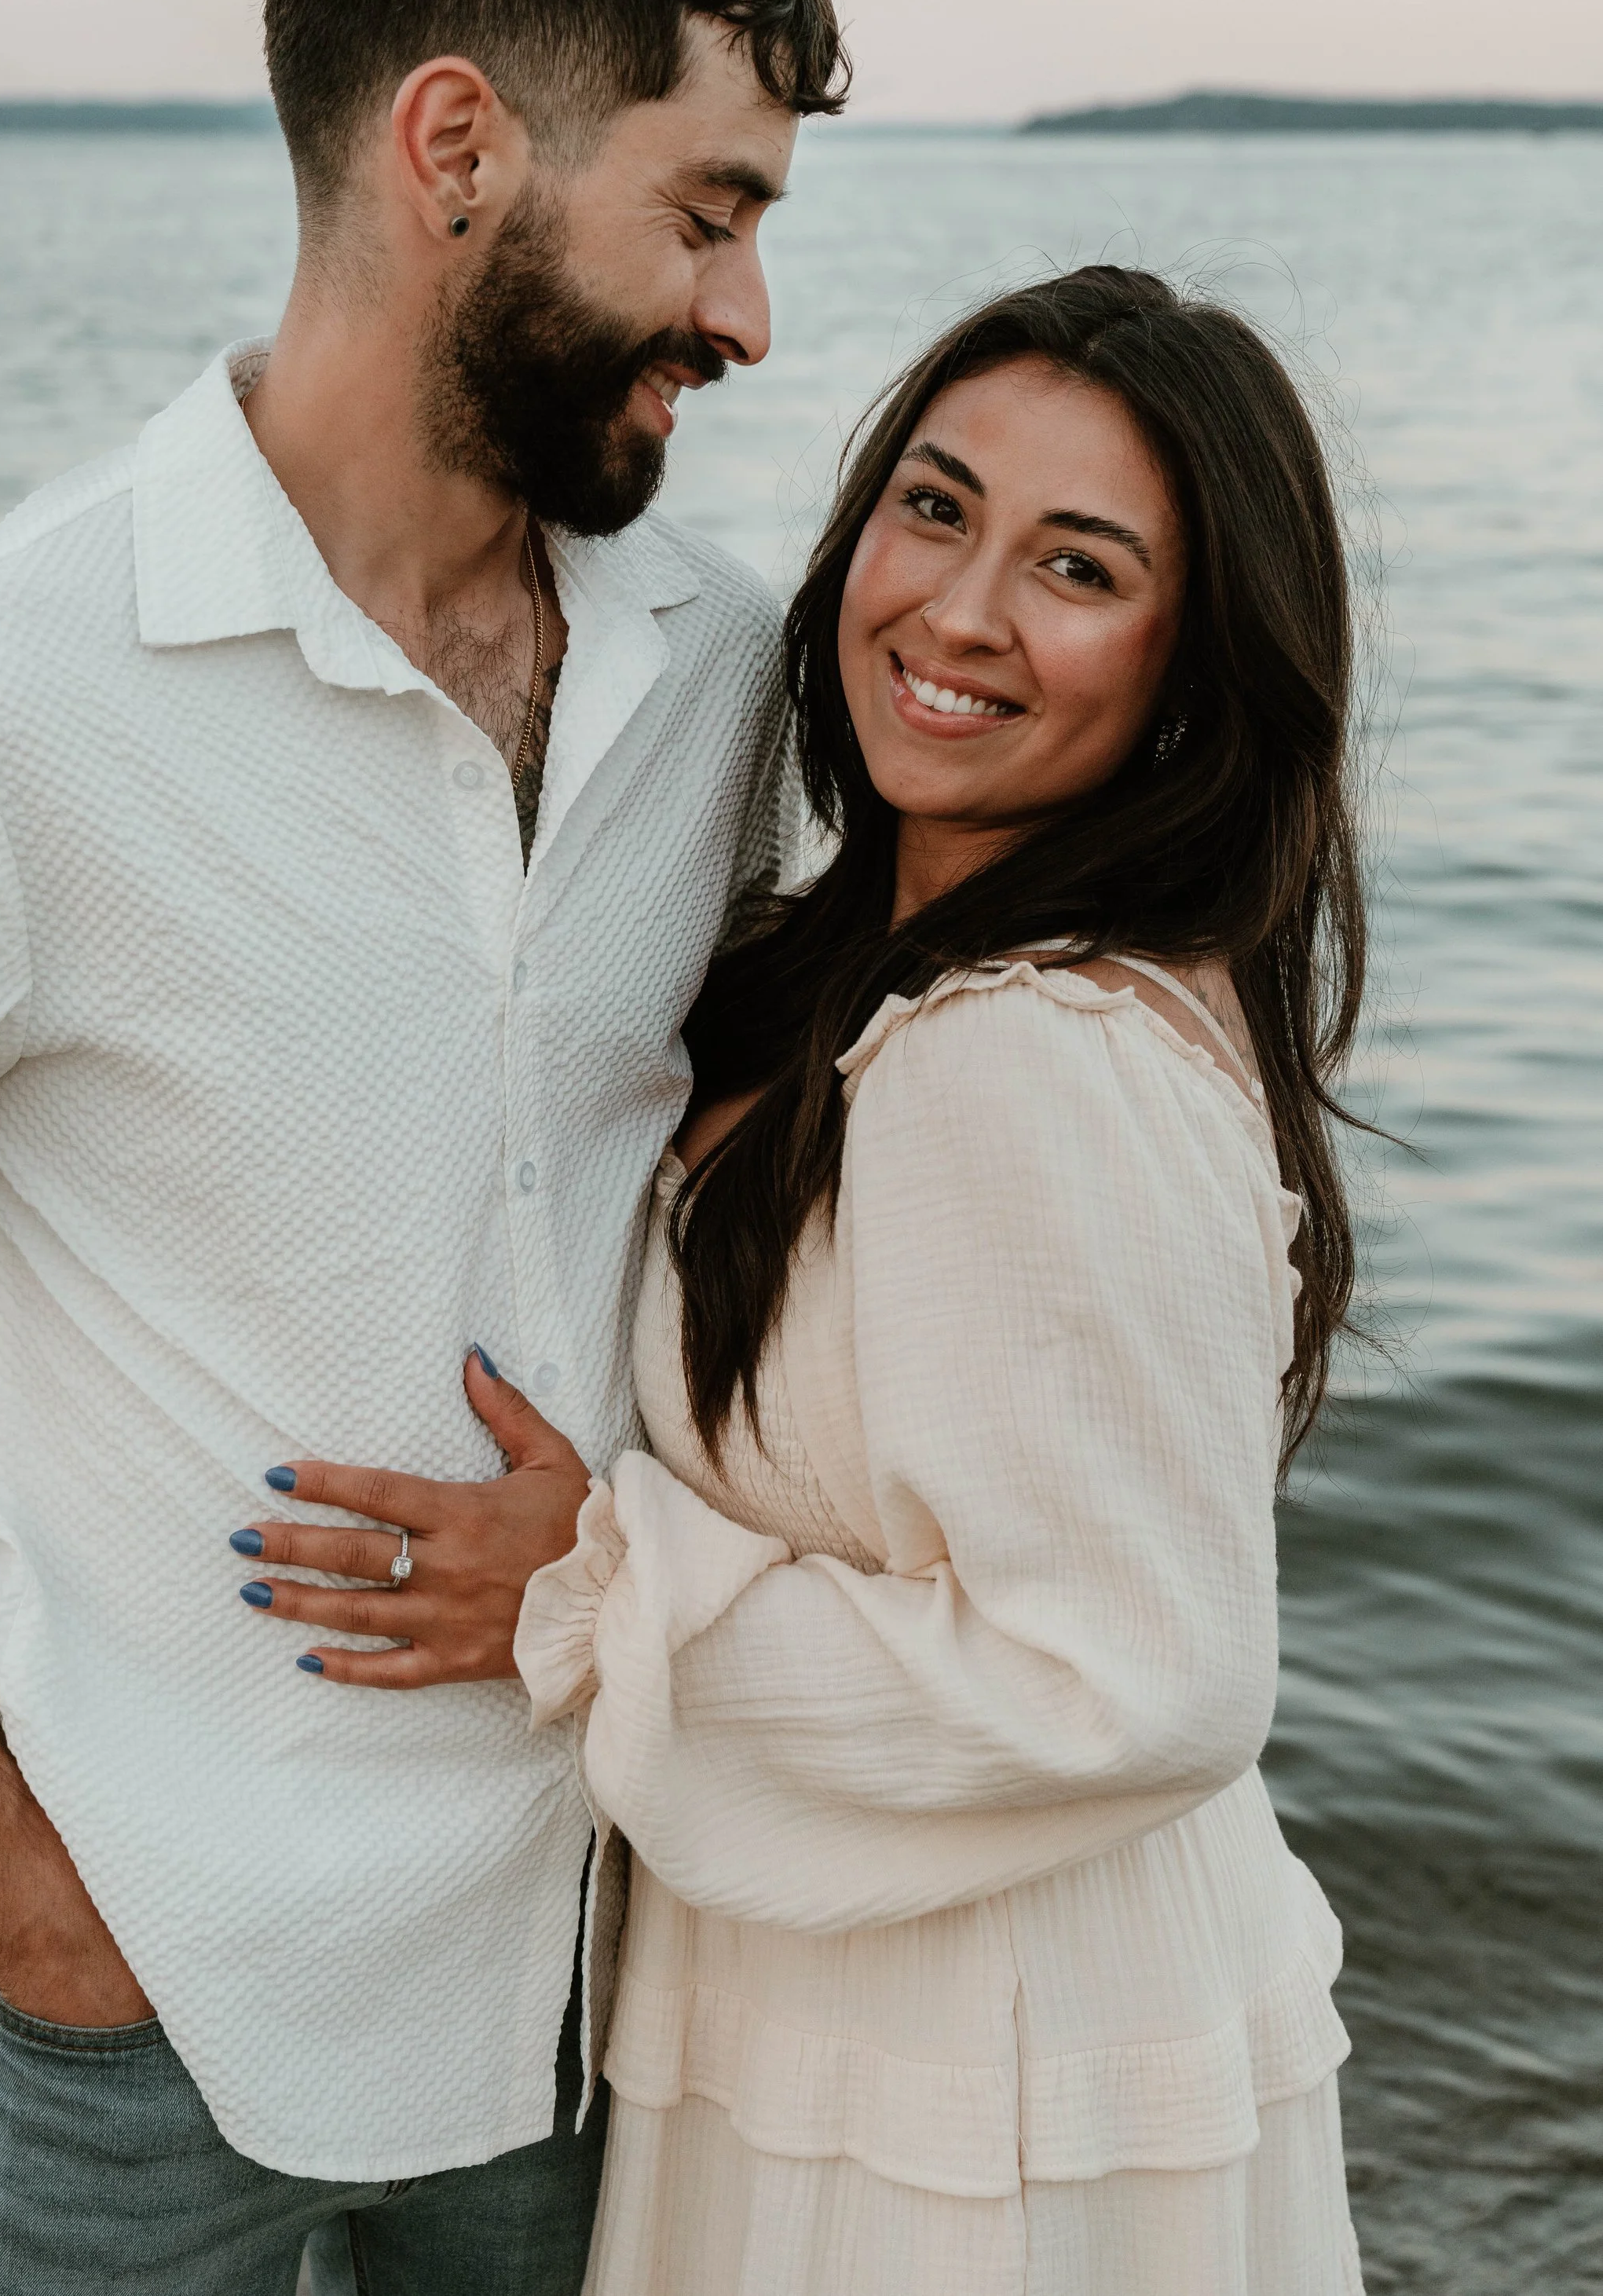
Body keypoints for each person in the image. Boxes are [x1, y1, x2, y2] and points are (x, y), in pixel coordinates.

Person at [0, 0, 847, 2295]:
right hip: (128, 2020)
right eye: (707, 209)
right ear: (454, 150)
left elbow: (744, 1201)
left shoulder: (716, 666)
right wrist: (20, 1892)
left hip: (571, 1970)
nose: (748, 315)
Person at [500, 266, 1370, 2292]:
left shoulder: (1025, 1054)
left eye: (1078, 566)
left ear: (1190, 665)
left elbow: (1134, 1677)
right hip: (888, 2020)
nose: (963, 613)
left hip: (980, 2096)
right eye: (937, 507)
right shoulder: (864, 981)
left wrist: (592, 1576)